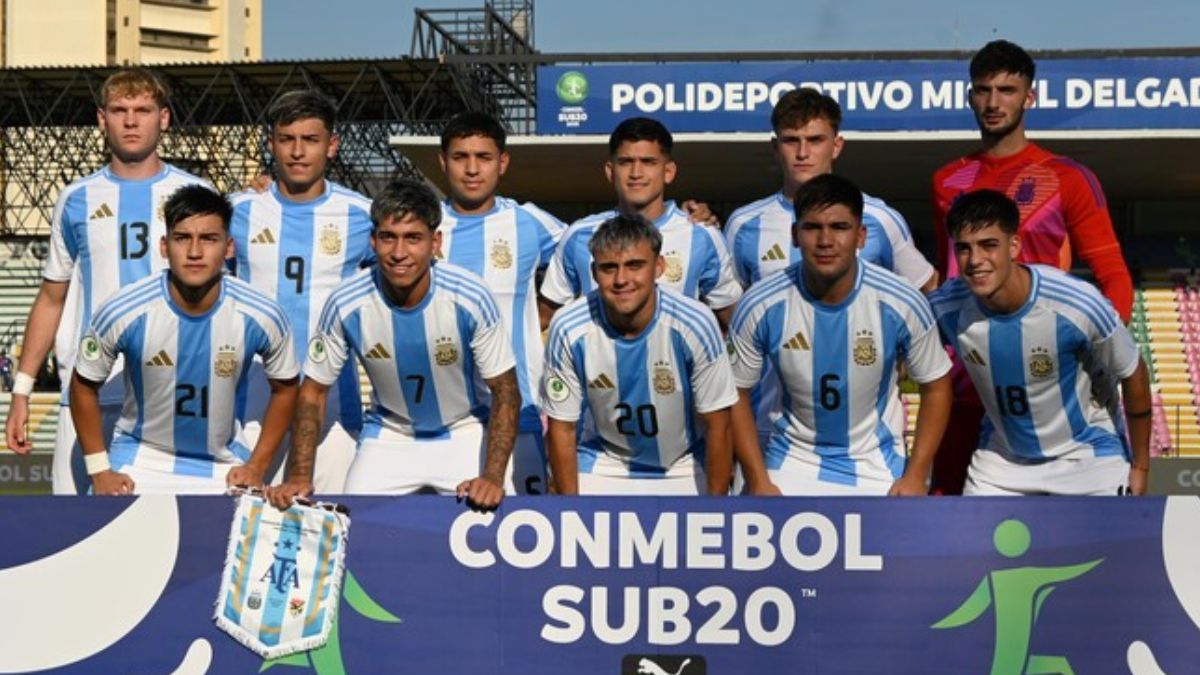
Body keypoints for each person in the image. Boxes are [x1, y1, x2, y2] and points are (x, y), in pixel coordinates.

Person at [930, 40, 1135, 494]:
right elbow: (951, 274)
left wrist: (1099, 358)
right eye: (983, 90)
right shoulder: (947, 181)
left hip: (1054, 372)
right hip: (973, 377)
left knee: (1092, 532)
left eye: (1007, 89)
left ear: (1030, 97)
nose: (993, 102)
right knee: (949, 518)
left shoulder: (1068, 178)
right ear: (969, 97)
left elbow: (1113, 275)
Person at [4, 68, 210, 494]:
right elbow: (51, 297)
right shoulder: (75, 198)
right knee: (72, 528)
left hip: (166, 395)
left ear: (164, 119)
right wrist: (21, 391)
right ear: (102, 119)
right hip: (87, 392)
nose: (131, 121)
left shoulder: (194, 193)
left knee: (168, 533)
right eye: (119, 110)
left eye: (143, 110)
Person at [267, 179, 520, 509]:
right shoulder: (346, 302)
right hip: (390, 435)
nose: (399, 253)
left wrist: (492, 476)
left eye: (413, 238)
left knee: (492, 522)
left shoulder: (470, 296)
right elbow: (313, 391)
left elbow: (506, 391)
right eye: (389, 238)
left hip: (465, 431)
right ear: (373, 241)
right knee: (355, 530)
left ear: (436, 242)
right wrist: (299, 475)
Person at [728, 174, 952, 495]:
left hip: (877, 465)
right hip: (791, 463)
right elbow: (736, 393)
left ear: (861, 236)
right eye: (812, 227)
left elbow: (937, 385)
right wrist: (758, 479)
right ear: (795, 234)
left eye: (839, 228)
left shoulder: (901, 301)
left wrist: (916, 474)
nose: (825, 241)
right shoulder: (761, 303)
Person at [70, 185, 299, 495]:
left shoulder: (262, 314)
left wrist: (257, 465)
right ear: (164, 246)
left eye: (209, 239)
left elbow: (286, 387)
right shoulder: (123, 310)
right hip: (140, 458)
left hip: (224, 464)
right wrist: (99, 470)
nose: (194, 252)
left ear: (229, 248)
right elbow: (83, 385)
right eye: (182, 238)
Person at [929, 189, 1150, 495]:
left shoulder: (1077, 303)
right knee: (973, 542)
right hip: (1002, 463)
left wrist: (1140, 466)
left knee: (1111, 543)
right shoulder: (945, 307)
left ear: (1014, 245)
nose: (975, 260)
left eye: (989, 245)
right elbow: (901, 357)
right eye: (964, 248)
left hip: (1087, 458)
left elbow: (1133, 371)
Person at [228, 89, 373, 493]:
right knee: (242, 524)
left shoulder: (362, 215)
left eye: (310, 140)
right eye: (286, 139)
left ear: (332, 146)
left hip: (334, 404)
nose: (297, 151)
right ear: (271, 143)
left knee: (328, 527)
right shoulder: (237, 210)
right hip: (252, 400)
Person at [542, 214, 736, 495]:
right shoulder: (568, 326)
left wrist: (717, 514)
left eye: (634, 265)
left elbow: (719, 424)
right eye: (609, 268)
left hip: (684, 463)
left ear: (659, 266)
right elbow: (562, 429)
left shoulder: (695, 322)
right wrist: (571, 510)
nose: (622, 279)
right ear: (594, 272)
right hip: (604, 462)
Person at [435, 111, 566, 495]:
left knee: (527, 538)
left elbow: (589, 255)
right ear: (443, 162)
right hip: (446, 422)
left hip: (519, 414)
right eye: (461, 157)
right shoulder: (420, 227)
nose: (472, 169)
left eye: (484, 157)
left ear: (502, 163)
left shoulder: (529, 222)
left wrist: (545, 312)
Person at [726, 87, 937, 292]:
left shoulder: (880, 218)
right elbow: (730, 308)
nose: (802, 153)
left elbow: (928, 288)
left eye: (815, 140)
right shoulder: (743, 224)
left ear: (836, 146)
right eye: (791, 140)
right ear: (775, 147)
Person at [540, 117, 742, 329]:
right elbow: (543, 318)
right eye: (625, 162)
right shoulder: (578, 235)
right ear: (610, 171)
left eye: (648, 162)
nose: (636, 174)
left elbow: (734, 321)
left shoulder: (702, 235)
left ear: (668, 172)